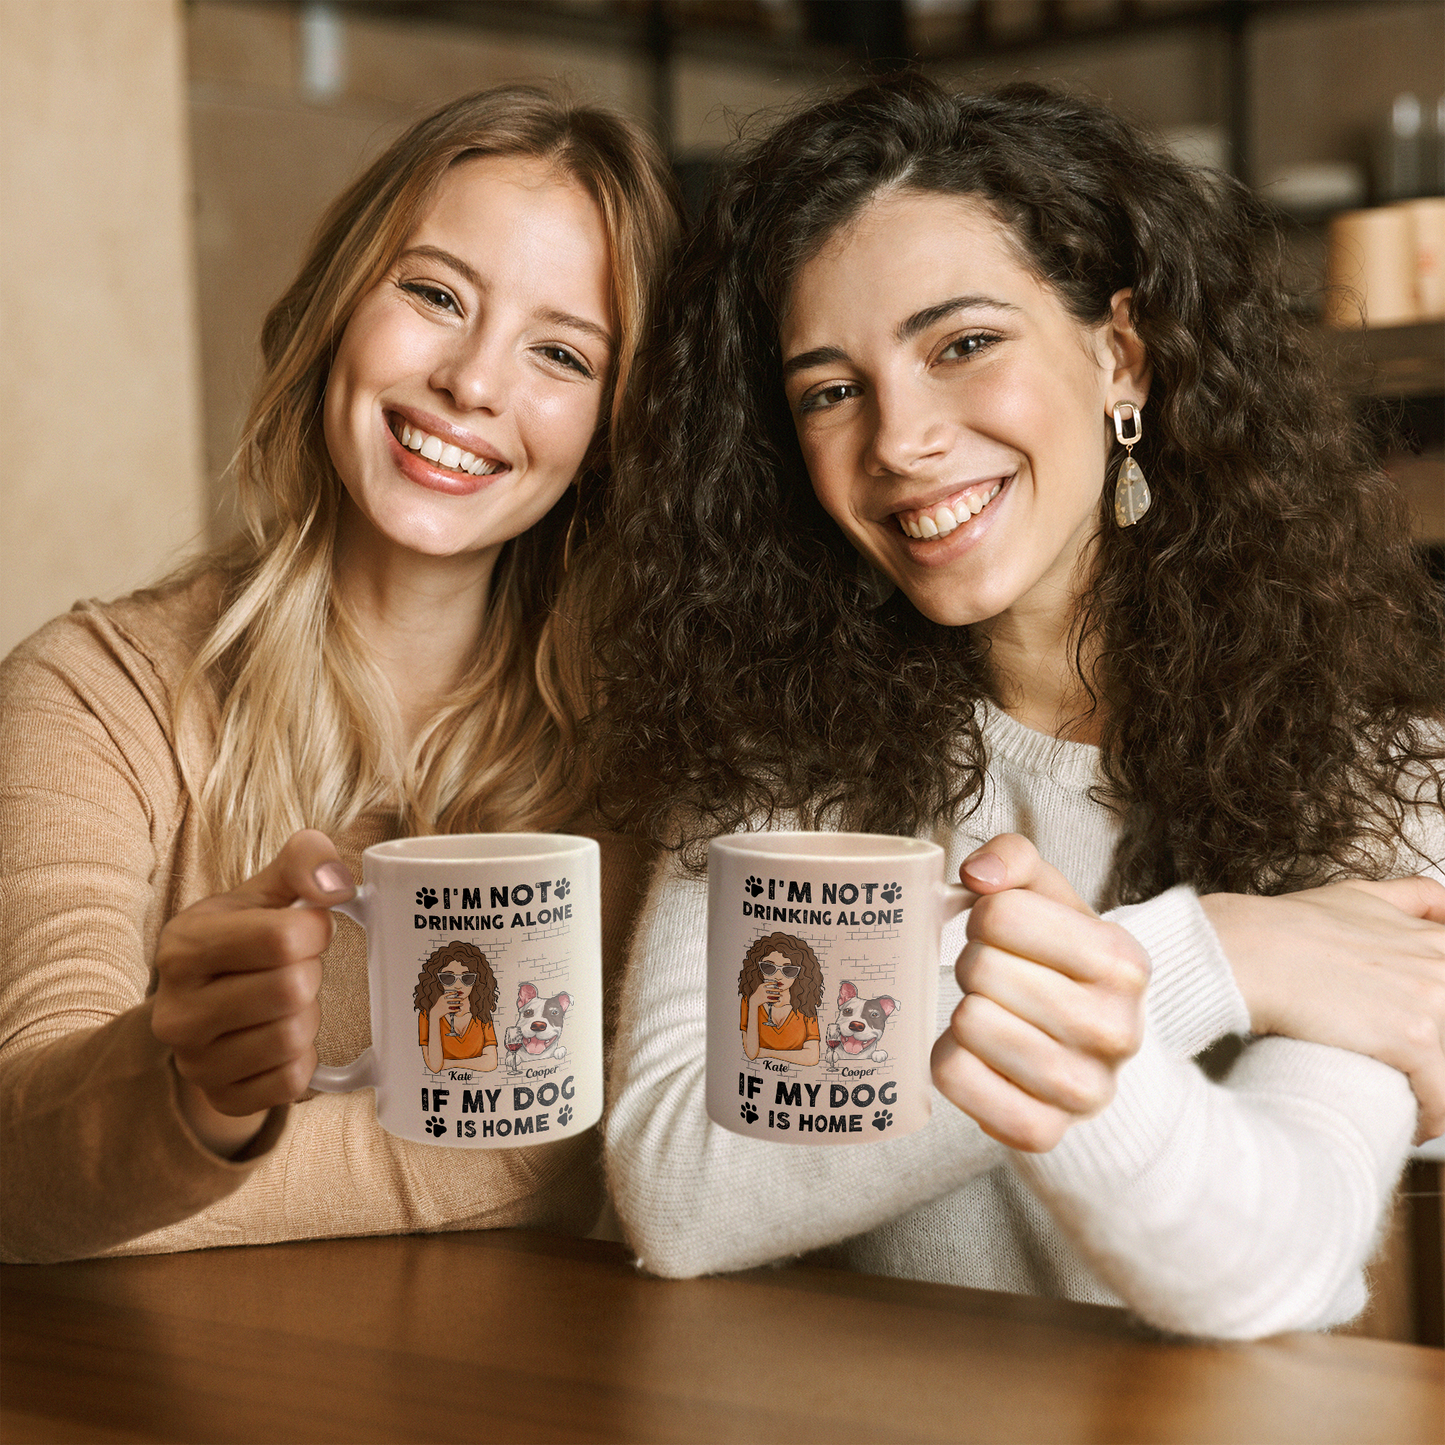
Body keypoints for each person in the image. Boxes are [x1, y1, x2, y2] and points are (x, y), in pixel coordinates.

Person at [593, 76, 1445, 1339]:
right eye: (829, 389)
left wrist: (1109, 976)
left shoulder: (1376, 764)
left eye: (960, 344)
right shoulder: (781, 751)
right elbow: (677, 1189)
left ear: (1119, 355)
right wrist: (1211, 955)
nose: (898, 438)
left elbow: (1271, 1258)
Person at [0, 85, 679, 1263]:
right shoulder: (91, 693)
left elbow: (581, 1133)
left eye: (561, 353)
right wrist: (193, 1094)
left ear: (611, 430)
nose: (473, 381)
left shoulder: (642, 750)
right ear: (335, 310)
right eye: (433, 294)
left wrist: (165, 1175)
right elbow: (22, 1161)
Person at [415, 942, 499, 1074]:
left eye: (467, 978)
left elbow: (491, 1062)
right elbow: (435, 1066)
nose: (458, 985)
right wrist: (435, 1016)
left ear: (477, 980)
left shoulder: (481, 1012)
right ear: (436, 980)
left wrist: (449, 1063)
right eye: (448, 978)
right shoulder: (428, 1014)